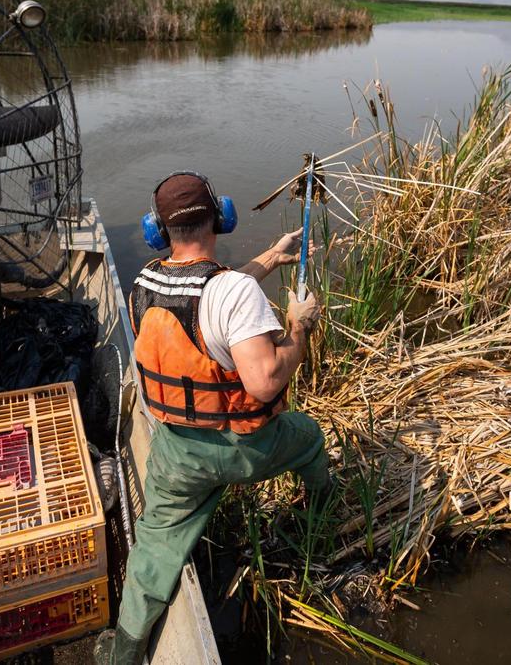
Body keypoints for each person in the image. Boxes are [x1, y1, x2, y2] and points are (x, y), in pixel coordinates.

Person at [95, 172, 331, 664]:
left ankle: (122, 653)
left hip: (176, 452)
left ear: (157, 231)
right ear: (221, 216)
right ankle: (321, 511)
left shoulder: (144, 283)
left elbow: (210, 297)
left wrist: (271, 255)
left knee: (155, 546)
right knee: (309, 435)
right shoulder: (233, 293)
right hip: (242, 448)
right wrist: (298, 328)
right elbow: (265, 381)